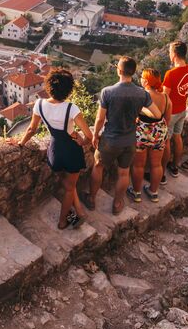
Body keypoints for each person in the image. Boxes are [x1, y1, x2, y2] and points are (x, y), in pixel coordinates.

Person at [10, 67, 95, 229]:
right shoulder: (72, 109)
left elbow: (31, 129)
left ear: (49, 86)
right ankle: (63, 221)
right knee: (70, 188)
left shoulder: (39, 104)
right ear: (69, 90)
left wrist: (20, 143)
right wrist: (81, 141)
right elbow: (89, 137)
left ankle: (79, 211)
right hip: (71, 152)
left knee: (67, 182)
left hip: (55, 151)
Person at [82, 56, 162, 215]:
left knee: (98, 166)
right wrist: (139, 110)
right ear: (133, 72)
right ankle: (118, 203)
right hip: (130, 140)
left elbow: (100, 118)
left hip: (110, 139)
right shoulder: (142, 94)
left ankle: (91, 199)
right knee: (124, 172)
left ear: (119, 70)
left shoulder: (108, 92)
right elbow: (157, 114)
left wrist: (95, 135)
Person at [131, 69, 170, 203]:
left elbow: (133, 117)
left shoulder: (140, 95)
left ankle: (136, 193)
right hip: (159, 133)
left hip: (141, 133)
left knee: (138, 165)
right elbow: (167, 119)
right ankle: (153, 192)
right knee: (156, 164)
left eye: (142, 77)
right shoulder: (165, 97)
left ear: (146, 81)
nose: (140, 79)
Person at [162, 41, 188, 178]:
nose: (169, 54)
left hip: (172, 113)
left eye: (170, 52)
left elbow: (165, 98)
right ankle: (175, 166)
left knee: (166, 141)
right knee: (178, 137)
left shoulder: (171, 74)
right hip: (183, 110)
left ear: (174, 54)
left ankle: (162, 173)